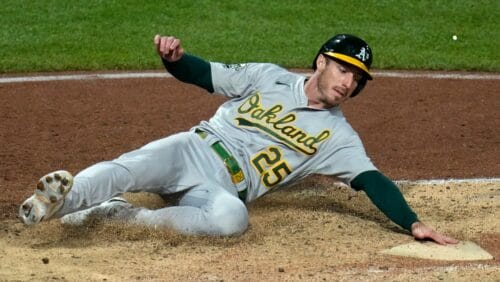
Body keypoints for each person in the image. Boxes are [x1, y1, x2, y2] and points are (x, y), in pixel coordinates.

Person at [19, 33, 458, 245]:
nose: (348, 83)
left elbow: (372, 180)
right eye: (343, 69)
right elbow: (205, 73)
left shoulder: (338, 136)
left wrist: (414, 223)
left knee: (233, 221)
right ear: (321, 62)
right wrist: (176, 59)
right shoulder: (268, 76)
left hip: (224, 189)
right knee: (128, 167)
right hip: (193, 150)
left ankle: (122, 217)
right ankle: (55, 202)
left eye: (357, 79)